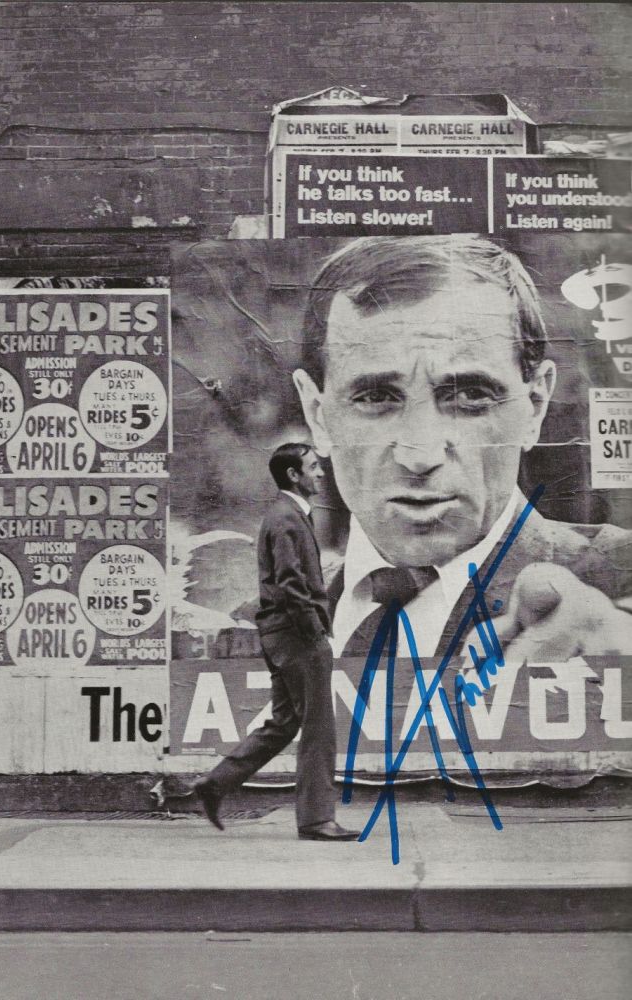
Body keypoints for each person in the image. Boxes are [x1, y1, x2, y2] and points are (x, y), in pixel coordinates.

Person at [292, 235, 632, 661]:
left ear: (535, 405)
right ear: (317, 414)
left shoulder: (620, 573)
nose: (420, 456)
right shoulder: (250, 625)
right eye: (375, 397)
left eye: (470, 395)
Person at [193, 443, 359, 841]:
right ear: (293, 475)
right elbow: (289, 581)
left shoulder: (288, 515)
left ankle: (215, 784)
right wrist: (314, 630)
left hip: (285, 634)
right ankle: (317, 819)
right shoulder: (286, 519)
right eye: (313, 467)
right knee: (319, 728)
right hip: (297, 636)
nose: (321, 473)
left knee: (284, 722)